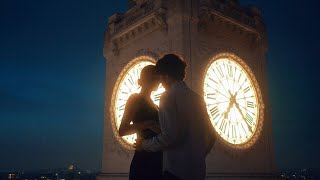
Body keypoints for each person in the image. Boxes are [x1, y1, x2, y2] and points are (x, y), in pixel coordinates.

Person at [136, 54, 216, 180]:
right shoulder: (198, 99)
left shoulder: (168, 97)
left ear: (166, 76)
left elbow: (169, 136)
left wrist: (144, 144)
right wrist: (198, 156)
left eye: (161, 79)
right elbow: (212, 136)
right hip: (198, 172)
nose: (161, 84)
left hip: (175, 172)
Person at [118, 65, 162, 180]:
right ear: (146, 79)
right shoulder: (135, 99)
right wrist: (149, 123)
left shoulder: (155, 105)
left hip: (155, 157)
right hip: (145, 158)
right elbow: (122, 130)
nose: (158, 80)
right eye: (154, 77)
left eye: (158, 77)